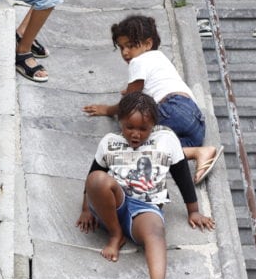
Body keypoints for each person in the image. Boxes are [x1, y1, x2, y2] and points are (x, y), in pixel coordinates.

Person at [76, 91, 214, 279]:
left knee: (156, 233)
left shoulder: (166, 139)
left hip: (146, 207)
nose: (136, 134)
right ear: (120, 121)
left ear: (154, 126)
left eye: (143, 129)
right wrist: (86, 209)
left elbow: (182, 175)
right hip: (114, 202)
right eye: (129, 127)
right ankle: (115, 235)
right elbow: (91, 177)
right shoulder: (109, 142)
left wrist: (193, 210)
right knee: (98, 180)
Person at [82, 14, 223, 185]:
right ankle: (199, 151)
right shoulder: (159, 57)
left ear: (148, 44)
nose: (125, 52)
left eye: (130, 46)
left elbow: (131, 102)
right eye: (121, 48)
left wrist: (108, 110)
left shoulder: (138, 61)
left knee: (134, 139)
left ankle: (195, 154)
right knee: (156, 150)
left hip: (171, 110)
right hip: (195, 121)